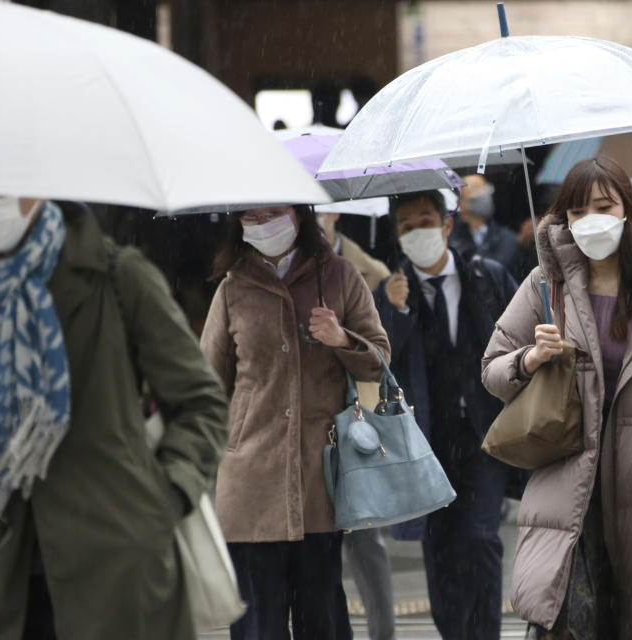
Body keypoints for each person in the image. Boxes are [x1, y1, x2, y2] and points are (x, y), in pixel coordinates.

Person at [0, 195, 229, 639]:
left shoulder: (118, 275)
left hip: (113, 563)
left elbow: (202, 401)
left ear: (37, 187)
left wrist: (164, 497)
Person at [482, 156, 632, 640]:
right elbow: (492, 369)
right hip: (567, 479)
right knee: (569, 622)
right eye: (576, 211)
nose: (589, 220)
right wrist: (530, 358)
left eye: (603, 207)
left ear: (628, 213)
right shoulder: (545, 287)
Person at [201, 204, 389, 640]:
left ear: (299, 215)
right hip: (249, 487)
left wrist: (342, 339)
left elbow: (379, 361)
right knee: (257, 626)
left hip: (319, 484)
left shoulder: (339, 275)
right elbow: (207, 384)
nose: (264, 222)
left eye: (274, 211)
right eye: (253, 214)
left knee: (320, 619)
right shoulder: (232, 288)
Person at [373, 190, 517, 639]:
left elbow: (520, 338)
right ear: (396, 234)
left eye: (426, 220)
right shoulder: (392, 291)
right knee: (440, 548)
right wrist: (393, 313)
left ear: (448, 223)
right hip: (426, 440)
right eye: (406, 226)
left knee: (481, 538)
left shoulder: (487, 276)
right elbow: (380, 367)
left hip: (483, 434)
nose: (418, 232)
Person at [316, 209, 397, 640]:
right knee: (315, 551)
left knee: (366, 540)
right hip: (306, 429)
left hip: (357, 424)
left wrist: (341, 337)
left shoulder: (369, 272)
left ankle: (383, 634)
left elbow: (384, 353)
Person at [449, 174, 521, 279]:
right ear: (460, 202)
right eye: (477, 191)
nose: (485, 195)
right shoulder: (450, 239)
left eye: (487, 189)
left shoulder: (509, 239)